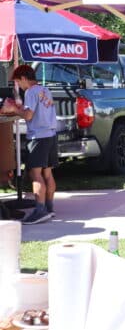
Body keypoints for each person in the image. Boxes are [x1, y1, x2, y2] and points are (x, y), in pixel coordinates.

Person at [9, 65, 58, 224]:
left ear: (24, 78)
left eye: (18, 82)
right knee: (48, 174)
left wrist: (13, 109)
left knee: (35, 174)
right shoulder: (45, 89)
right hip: (51, 135)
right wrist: (19, 108)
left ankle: (40, 211)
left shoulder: (30, 92)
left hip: (38, 137)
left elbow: (29, 115)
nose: (19, 86)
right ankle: (49, 208)